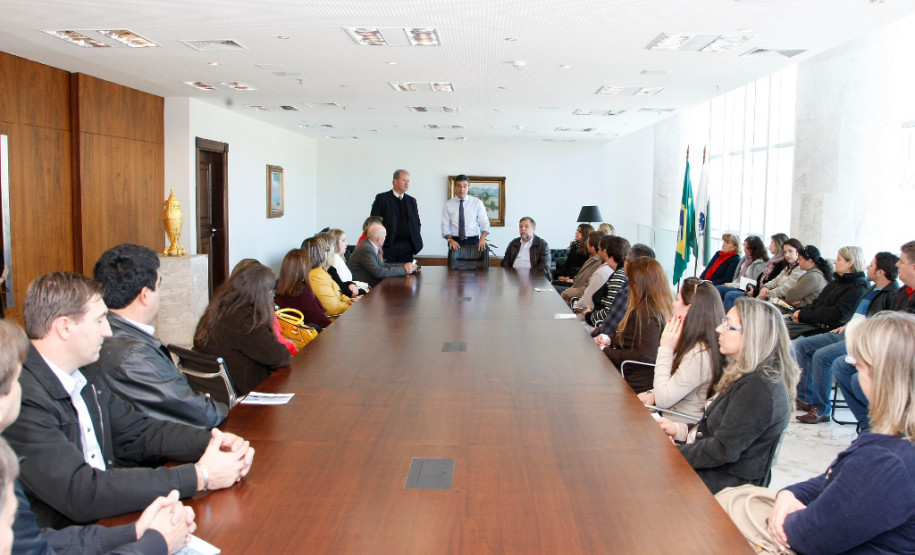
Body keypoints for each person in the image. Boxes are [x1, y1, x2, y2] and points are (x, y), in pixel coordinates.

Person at [1, 272, 253, 528]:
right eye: (99, 320)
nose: (108, 331)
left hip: (108, 517)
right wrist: (201, 476)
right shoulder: (20, 395)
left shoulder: (85, 374)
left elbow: (139, 432)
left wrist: (214, 442)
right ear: (64, 327)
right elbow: (80, 492)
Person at [0, 320, 196, 555]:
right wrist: (156, 544)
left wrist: (134, 532)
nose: (107, 330)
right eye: (19, 376)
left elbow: (38, 541)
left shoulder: (87, 377)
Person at [764, 312, 915, 554]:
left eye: (860, 363)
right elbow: (836, 478)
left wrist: (782, 516)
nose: (852, 365)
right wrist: (790, 493)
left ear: (884, 376)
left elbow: (811, 537)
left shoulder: (886, 459)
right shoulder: (896, 442)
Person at [657, 297, 798, 493]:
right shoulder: (751, 374)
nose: (718, 329)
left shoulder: (758, 388)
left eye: (729, 326)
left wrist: (671, 455)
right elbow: (720, 431)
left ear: (752, 336)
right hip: (718, 473)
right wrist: (679, 429)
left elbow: (722, 450)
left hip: (725, 486)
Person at [88, 244, 228, 428]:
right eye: (159, 284)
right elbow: (204, 415)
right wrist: (204, 404)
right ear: (145, 295)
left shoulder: (104, 333)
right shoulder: (134, 356)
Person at [792, 247, 885, 423]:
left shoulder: (860, 287)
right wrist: (801, 312)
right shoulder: (866, 288)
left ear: (850, 263)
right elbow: (851, 314)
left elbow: (838, 313)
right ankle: (806, 398)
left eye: (839, 259)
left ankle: (822, 409)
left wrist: (804, 315)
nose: (835, 261)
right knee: (801, 345)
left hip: (852, 336)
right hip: (844, 330)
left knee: (822, 356)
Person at [835, 245, 914, 429]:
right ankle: (868, 424)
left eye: (901, 261)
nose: (897, 264)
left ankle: (887, 425)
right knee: (843, 366)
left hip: (903, 360)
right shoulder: (903, 292)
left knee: (858, 377)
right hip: (884, 349)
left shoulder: (892, 291)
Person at [194, 261, 291, 396]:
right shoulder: (246, 323)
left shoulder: (216, 310)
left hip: (217, 392)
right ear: (261, 295)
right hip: (248, 394)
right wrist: (268, 321)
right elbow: (281, 357)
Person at [638, 277, 725, 423]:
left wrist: (665, 348)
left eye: (677, 299)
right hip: (668, 419)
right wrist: (652, 394)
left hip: (677, 429)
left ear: (688, 309)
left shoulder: (699, 354)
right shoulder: (699, 342)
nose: (673, 303)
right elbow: (676, 384)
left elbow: (663, 400)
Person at [602, 257, 673, 393]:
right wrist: (611, 338)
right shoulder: (649, 308)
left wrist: (607, 352)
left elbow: (646, 356)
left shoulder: (647, 313)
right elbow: (633, 338)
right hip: (630, 374)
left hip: (635, 381)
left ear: (639, 284)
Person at [591, 243, 654, 335]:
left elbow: (608, 328)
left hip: (616, 342)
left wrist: (598, 328)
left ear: (630, 264)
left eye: (625, 260)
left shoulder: (628, 291)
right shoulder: (654, 289)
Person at [724, 233, 790, 308]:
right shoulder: (772, 262)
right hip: (756, 290)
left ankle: (732, 318)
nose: (769, 246)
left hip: (764, 295)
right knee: (723, 291)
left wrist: (756, 291)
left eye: (772, 243)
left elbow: (772, 284)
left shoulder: (780, 264)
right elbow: (761, 280)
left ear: (778, 245)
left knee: (729, 294)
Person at [370, 169, 422, 263]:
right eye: (404, 180)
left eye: (408, 181)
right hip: (389, 245)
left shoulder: (411, 201)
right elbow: (374, 221)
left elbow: (417, 222)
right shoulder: (382, 198)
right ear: (395, 181)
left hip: (407, 246)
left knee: (407, 274)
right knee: (389, 274)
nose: (407, 183)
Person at [274, 249, 332, 329]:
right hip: (312, 337)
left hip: (293, 336)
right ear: (304, 268)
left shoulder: (279, 291)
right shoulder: (302, 292)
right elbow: (319, 320)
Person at [348, 223, 418, 288]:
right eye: (384, 237)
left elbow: (382, 265)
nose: (385, 239)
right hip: (366, 287)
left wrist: (404, 266)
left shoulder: (368, 244)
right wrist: (404, 269)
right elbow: (378, 272)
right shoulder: (366, 249)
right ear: (379, 239)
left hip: (371, 285)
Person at [579, 236, 629, 316]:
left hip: (595, 322)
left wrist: (589, 315)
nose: (598, 252)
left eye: (599, 249)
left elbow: (608, 313)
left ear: (610, 257)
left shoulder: (616, 276)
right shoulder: (619, 273)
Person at [302, 236, 353, 316]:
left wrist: (349, 301)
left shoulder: (321, 271)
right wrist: (351, 307)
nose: (329, 252)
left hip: (342, 315)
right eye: (327, 250)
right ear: (320, 253)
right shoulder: (316, 277)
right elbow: (332, 309)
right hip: (335, 322)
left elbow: (339, 294)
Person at [441, 174, 490, 252]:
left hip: (473, 241)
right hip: (454, 242)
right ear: (455, 187)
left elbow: (485, 224)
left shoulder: (477, 203)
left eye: (465, 186)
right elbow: (445, 227)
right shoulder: (448, 204)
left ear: (468, 187)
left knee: (473, 264)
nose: (462, 189)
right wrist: (450, 239)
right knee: (454, 264)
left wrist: (482, 238)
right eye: (459, 186)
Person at [777, 244, 832, 309]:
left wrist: (800, 303)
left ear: (810, 261)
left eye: (800, 259)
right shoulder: (819, 272)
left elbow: (789, 297)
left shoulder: (812, 276)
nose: (798, 261)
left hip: (805, 312)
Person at [715, 235, 768, 301]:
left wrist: (731, 285)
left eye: (747, 248)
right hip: (737, 285)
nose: (744, 249)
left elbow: (753, 284)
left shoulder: (760, 264)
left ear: (754, 249)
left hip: (746, 289)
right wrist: (731, 284)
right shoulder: (745, 258)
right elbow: (737, 278)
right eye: (744, 247)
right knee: (718, 289)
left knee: (723, 291)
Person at [559, 230, 606, 302]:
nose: (586, 244)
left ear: (593, 248)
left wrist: (567, 293)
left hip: (577, 297)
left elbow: (587, 288)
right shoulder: (591, 259)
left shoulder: (598, 264)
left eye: (587, 242)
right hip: (574, 290)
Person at [323, 228, 368, 296]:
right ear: (335, 243)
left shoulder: (335, 258)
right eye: (343, 240)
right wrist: (365, 288)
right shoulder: (336, 259)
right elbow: (343, 287)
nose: (346, 243)